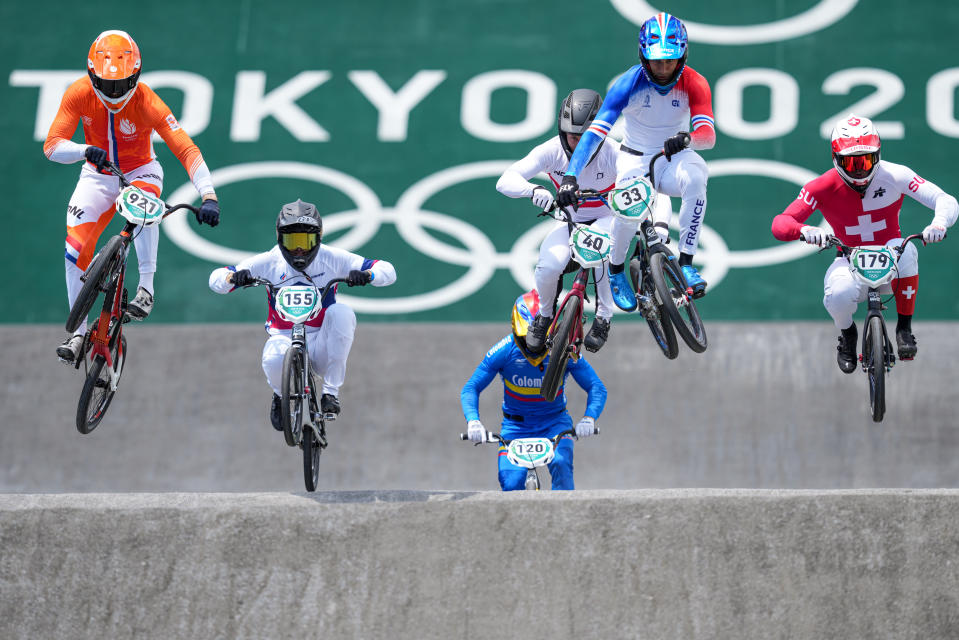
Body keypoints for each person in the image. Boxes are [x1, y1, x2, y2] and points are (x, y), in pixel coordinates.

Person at [47, 30, 221, 363]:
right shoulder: (78, 93)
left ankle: (147, 286)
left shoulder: (147, 100)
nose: (114, 92)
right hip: (97, 175)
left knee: (146, 210)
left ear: (136, 77)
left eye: (122, 84)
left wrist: (208, 195)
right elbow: (53, 146)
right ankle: (78, 334)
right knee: (73, 251)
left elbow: (185, 148)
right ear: (92, 75)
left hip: (142, 171)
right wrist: (85, 150)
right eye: (108, 85)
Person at [771, 114, 957, 370]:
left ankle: (904, 329)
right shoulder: (820, 187)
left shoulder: (896, 174)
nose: (859, 168)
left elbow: (945, 200)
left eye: (866, 159)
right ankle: (848, 335)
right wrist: (804, 230)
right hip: (848, 257)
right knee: (837, 295)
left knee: (909, 251)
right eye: (851, 162)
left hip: (891, 250)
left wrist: (939, 223)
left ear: (878, 154)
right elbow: (780, 223)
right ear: (835, 159)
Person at [556, 12, 716, 310]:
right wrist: (570, 176)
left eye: (671, 61)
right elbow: (593, 135)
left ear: (682, 56)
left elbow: (708, 135)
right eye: (657, 61)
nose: (664, 68)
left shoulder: (695, 82)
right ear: (644, 56)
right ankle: (616, 271)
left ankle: (688, 262)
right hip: (634, 159)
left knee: (697, 177)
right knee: (628, 214)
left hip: (674, 157)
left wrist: (687, 139)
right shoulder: (627, 84)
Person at [209, 199, 396, 427]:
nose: (299, 250)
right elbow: (215, 279)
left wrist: (368, 275)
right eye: (292, 241)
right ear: (279, 238)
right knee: (272, 356)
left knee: (342, 313)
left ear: (318, 238)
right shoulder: (269, 261)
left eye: (306, 242)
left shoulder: (332, 258)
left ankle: (330, 393)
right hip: (283, 338)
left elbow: (388, 270)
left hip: (321, 343)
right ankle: (280, 395)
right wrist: (233, 278)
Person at [496, 88, 618, 353]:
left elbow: (645, 183)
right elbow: (505, 180)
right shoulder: (551, 150)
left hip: (607, 218)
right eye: (573, 137)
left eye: (586, 137)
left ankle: (603, 317)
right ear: (562, 131)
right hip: (569, 220)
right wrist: (534, 190)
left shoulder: (613, 153)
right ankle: (545, 315)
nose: (578, 144)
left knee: (599, 253)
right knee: (548, 267)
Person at [460, 290, 606, 491]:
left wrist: (589, 418)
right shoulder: (504, 350)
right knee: (511, 483)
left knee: (561, 465)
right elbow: (471, 387)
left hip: (555, 424)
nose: (534, 349)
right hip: (515, 428)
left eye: (541, 340)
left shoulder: (564, 347)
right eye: (528, 340)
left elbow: (596, 386)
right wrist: (473, 421)